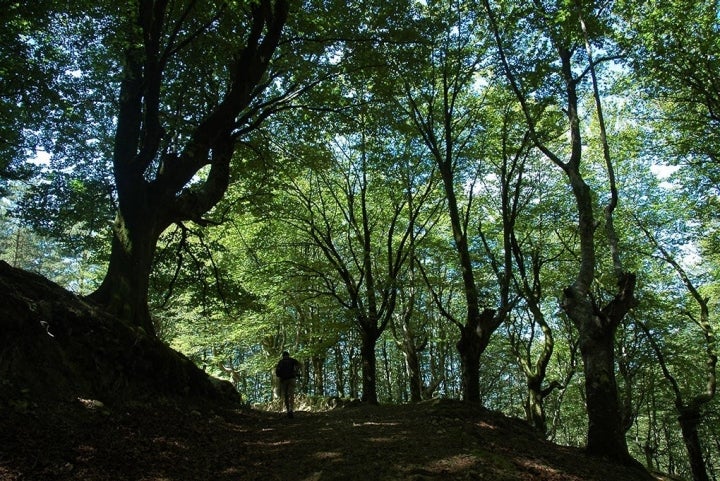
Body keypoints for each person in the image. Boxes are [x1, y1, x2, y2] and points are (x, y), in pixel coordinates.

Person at [275, 351, 301, 418]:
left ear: (283, 356)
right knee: (291, 395)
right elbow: (299, 365)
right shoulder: (292, 360)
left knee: (285, 395)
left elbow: (277, 372)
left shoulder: (280, 362)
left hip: (284, 380)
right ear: (288, 355)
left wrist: (281, 376)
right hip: (292, 379)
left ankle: (287, 410)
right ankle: (291, 409)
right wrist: (296, 372)